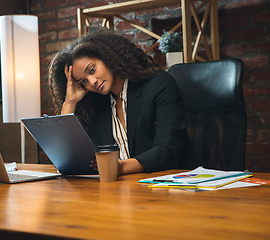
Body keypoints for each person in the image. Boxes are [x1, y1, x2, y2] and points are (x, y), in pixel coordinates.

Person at [48, 30, 199, 176]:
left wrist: (119, 167)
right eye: (84, 82)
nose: (92, 82)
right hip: (123, 190)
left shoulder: (159, 85)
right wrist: (70, 102)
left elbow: (167, 151)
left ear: (106, 57)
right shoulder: (99, 106)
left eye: (92, 70)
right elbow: (69, 160)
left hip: (172, 186)